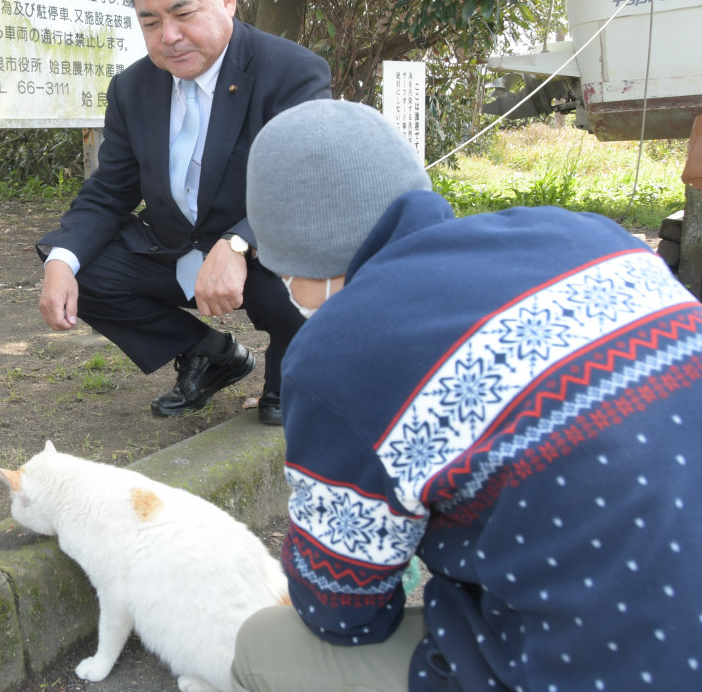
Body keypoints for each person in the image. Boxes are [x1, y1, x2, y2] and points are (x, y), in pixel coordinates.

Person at [231, 98, 702, 691]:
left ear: (303, 259)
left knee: (260, 646)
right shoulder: (587, 232)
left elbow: (341, 613)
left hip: (604, 668)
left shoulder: (339, 352)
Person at [37, 0, 332, 425]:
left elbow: (306, 179)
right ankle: (210, 353)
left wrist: (239, 242)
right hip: (178, 245)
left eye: (184, 13)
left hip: (270, 248)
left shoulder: (290, 71)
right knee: (80, 268)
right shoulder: (133, 88)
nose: (167, 36)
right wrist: (62, 260)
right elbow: (110, 190)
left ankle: (290, 371)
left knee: (309, 297)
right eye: (149, 22)